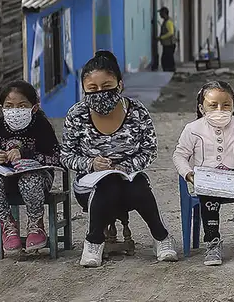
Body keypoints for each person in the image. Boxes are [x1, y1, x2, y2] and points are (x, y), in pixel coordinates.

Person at [60, 50, 178, 267]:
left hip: (129, 180)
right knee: (108, 184)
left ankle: (161, 238)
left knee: (139, 185)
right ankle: (94, 242)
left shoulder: (137, 112)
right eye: (92, 88)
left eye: (106, 86)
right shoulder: (76, 115)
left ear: (120, 85)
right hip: (90, 186)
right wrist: (90, 163)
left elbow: (149, 150)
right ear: (84, 89)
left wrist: (126, 166)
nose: (100, 93)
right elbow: (66, 156)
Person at [173, 81, 234, 266]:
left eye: (226, 105)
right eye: (213, 105)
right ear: (201, 108)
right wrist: (188, 174)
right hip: (207, 179)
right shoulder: (193, 129)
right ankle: (212, 243)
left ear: (233, 105)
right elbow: (179, 155)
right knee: (208, 197)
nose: (220, 109)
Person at [0, 81, 60, 256]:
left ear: (34, 107)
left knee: (28, 180)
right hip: (7, 179)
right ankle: (7, 225)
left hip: (38, 180)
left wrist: (26, 154)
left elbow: (56, 158)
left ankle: (36, 224)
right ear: (2, 108)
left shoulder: (41, 125)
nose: (15, 111)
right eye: (9, 106)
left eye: (22, 106)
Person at [158, 7, 176, 72]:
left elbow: (171, 32)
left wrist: (161, 37)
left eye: (161, 13)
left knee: (167, 60)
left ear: (164, 13)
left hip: (169, 44)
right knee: (166, 60)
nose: (160, 14)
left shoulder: (168, 22)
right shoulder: (166, 21)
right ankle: (169, 72)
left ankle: (170, 73)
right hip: (167, 44)